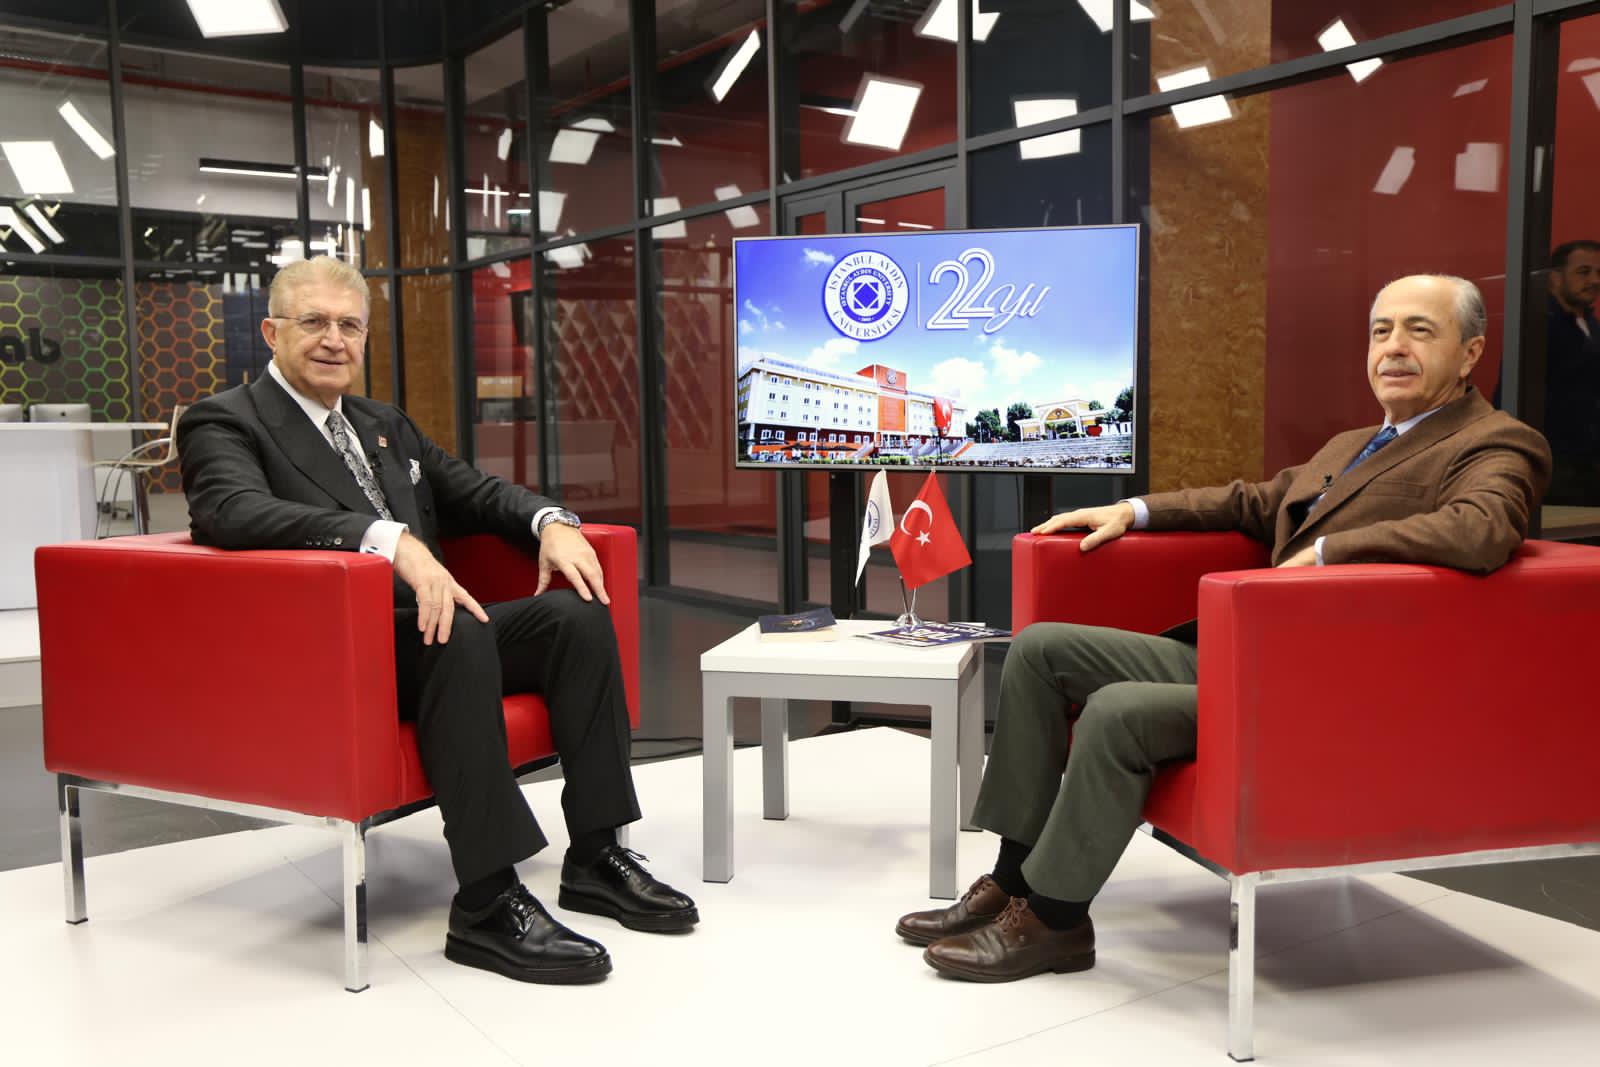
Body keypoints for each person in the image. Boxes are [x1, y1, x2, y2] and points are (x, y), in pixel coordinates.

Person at [895, 274, 1551, 983]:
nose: (1393, 347)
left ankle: (1056, 921)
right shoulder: (1354, 443)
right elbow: (1253, 502)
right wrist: (1133, 511)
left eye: (1419, 330)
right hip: (1247, 654)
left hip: (1333, 684)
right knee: (1038, 649)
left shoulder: (1496, 442)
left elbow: (1481, 528)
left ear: (1470, 352)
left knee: (1117, 710)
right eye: (1381, 331)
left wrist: (1328, 554)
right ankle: (1013, 879)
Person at [178, 256, 697, 986]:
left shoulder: (380, 423)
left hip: (430, 634)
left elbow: (475, 492)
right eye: (314, 322)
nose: (334, 340)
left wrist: (551, 520)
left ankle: (596, 855)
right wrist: (388, 539)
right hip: (329, 647)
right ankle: (487, 902)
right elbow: (231, 512)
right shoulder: (225, 420)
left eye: (349, 325)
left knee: (574, 616)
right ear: (271, 332)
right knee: (455, 621)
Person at [1540, 240, 1600, 503]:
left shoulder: (1590, 325)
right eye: (1583, 272)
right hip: (1555, 466)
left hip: (1588, 465)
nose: (1594, 280)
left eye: (1598, 273)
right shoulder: (1539, 324)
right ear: (1555, 278)